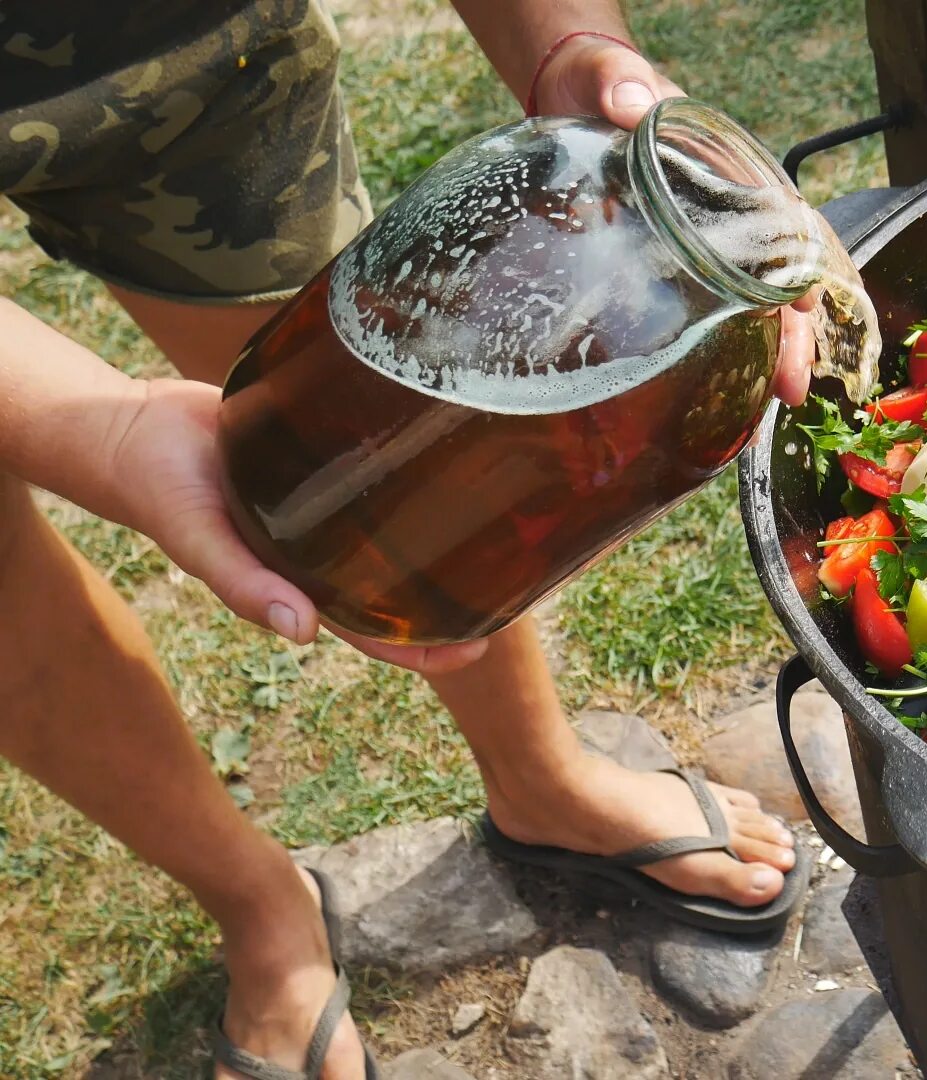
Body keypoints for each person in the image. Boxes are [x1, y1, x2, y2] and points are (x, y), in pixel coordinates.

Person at [0, 2, 816, 1076]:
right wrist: (101, 431)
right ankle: (259, 907)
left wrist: (569, 43)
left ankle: (543, 782)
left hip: (169, 41)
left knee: (377, 424)